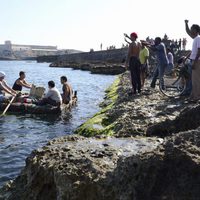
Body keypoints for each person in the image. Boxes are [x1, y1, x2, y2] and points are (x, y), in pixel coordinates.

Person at [184, 20, 200, 101]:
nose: (191, 30)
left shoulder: (198, 38)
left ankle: (196, 97)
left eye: (192, 29)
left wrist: (195, 62)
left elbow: (199, 51)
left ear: (196, 30)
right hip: (194, 60)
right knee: (193, 80)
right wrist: (187, 57)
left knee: (196, 80)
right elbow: (193, 51)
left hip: (197, 61)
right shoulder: (196, 38)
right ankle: (193, 96)